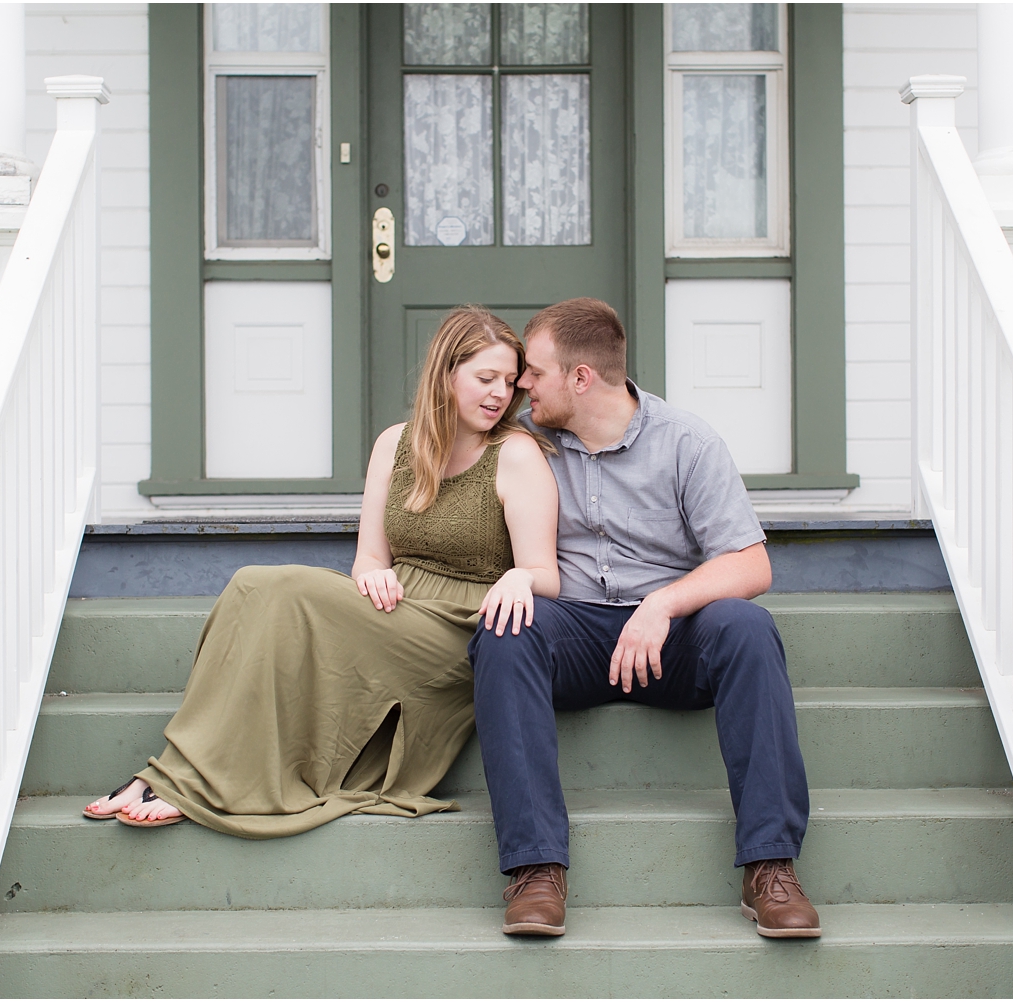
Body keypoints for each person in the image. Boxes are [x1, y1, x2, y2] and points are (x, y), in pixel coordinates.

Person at [84, 306, 560, 835]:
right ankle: (179, 770)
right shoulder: (395, 444)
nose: (499, 394)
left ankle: (183, 780)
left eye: (509, 383)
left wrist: (520, 577)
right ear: (445, 374)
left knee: (282, 588)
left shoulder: (515, 454)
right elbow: (370, 556)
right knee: (252, 586)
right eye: (485, 378)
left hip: (457, 628)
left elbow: (547, 575)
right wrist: (373, 572)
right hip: (393, 607)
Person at [469, 298, 818, 939]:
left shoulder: (687, 441)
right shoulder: (523, 441)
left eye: (533, 373)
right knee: (505, 630)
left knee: (746, 627)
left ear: (580, 378)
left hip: (669, 641)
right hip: (571, 631)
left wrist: (663, 603)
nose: (521, 384)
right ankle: (536, 870)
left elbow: (751, 564)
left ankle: (771, 866)